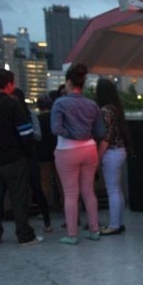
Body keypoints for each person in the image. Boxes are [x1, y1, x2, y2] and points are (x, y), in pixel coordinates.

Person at [0, 69, 42, 246]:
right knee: (19, 198)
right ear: (9, 84)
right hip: (14, 157)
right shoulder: (11, 103)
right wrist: (28, 153)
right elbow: (25, 131)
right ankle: (24, 235)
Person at [51, 63, 105, 245]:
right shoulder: (92, 104)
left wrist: (73, 133)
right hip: (89, 149)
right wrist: (84, 133)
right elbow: (100, 131)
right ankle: (94, 230)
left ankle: (72, 235)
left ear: (68, 83)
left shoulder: (60, 103)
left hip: (67, 150)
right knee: (89, 192)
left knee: (70, 193)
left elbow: (55, 128)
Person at [95, 78, 132, 236]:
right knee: (117, 190)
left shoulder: (105, 111)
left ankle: (114, 225)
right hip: (120, 150)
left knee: (112, 190)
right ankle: (119, 222)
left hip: (111, 152)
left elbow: (106, 137)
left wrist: (97, 157)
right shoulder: (116, 108)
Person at [13, 88, 52, 233]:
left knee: (37, 188)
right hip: (25, 156)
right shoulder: (29, 115)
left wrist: (23, 132)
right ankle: (26, 223)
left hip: (27, 156)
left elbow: (38, 135)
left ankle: (45, 219)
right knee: (27, 189)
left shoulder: (30, 115)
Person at [36, 92, 62, 210]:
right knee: (61, 181)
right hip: (57, 152)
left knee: (44, 183)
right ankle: (65, 206)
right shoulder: (55, 119)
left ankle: (44, 210)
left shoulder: (37, 120)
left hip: (42, 154)